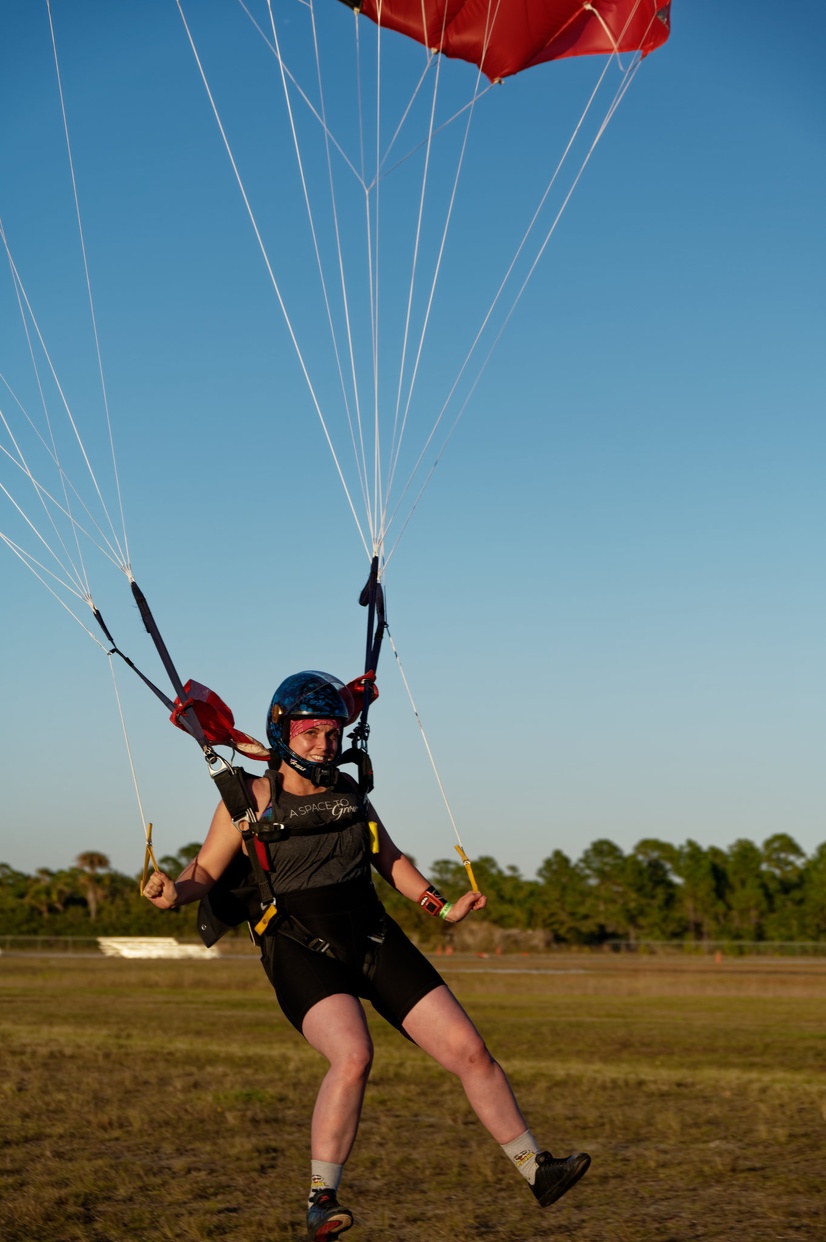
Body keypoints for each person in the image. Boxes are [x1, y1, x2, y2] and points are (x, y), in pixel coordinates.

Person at [144, 670, 590, 1239]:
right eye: (310, 732)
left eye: (332, 732)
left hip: (372, 934)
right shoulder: (251, 799)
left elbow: (392, 861)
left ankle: (537, 1170)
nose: (325, 744)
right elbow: (204, 871)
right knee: (353, 1054)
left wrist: (442, 906)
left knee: (470, 1050)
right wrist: (172, 894)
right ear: (283, 735)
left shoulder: (351, 795)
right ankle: (321, 1199)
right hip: (297, 943)